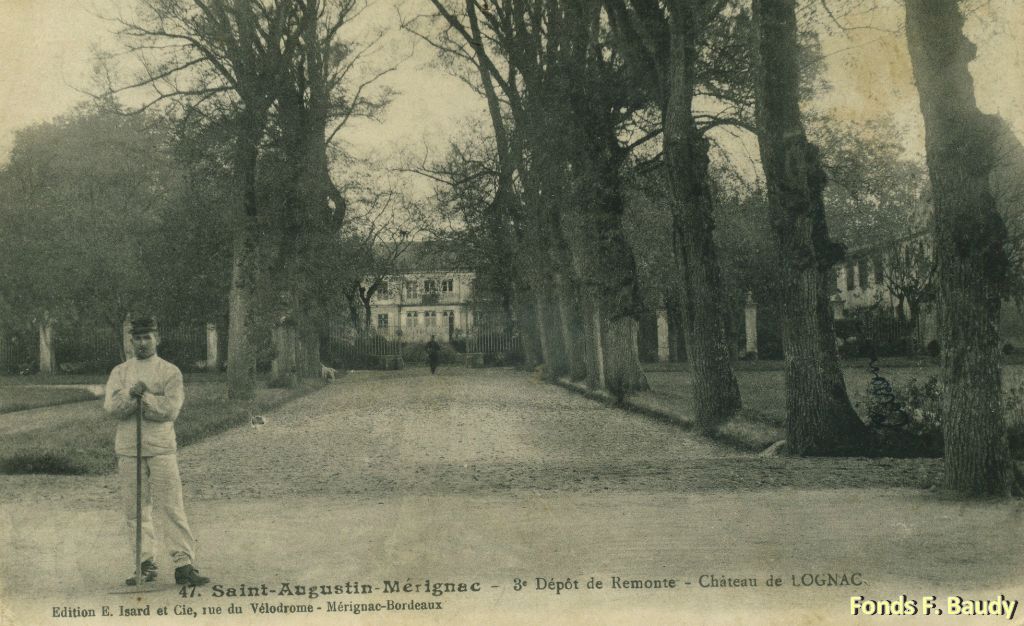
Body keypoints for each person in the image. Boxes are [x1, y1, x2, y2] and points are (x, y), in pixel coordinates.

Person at [103, 316, 210, 587]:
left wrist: (147, 397)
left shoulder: (169, 372)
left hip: (161, 448)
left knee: (171, 506)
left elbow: (170, 411)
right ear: (131, 341)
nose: (142, 343)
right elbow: (111, 408)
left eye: (147, 337)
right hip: (129, 448)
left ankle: (183, 564)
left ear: (157, 338)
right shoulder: (120, 372)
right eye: (137, 338)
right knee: (135, 509)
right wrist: (130, 395)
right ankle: (145, 563)